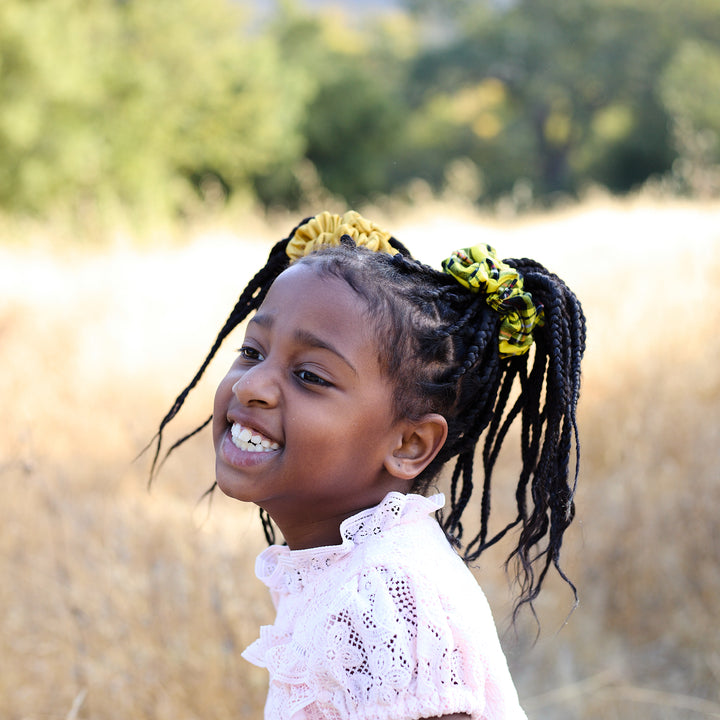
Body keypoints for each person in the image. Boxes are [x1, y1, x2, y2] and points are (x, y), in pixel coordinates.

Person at [149, 211, 586, 719]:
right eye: (252, 350)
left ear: (409, 444)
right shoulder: (346, 570)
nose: (250, 386)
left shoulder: (383, 600)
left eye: (310, 375)